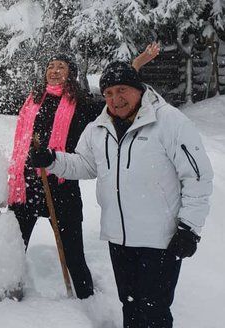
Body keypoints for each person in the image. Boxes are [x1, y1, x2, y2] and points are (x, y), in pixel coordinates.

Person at [29, 61, 213, 328]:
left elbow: (197, 176)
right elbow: (85, 164)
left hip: (160, 240)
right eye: (109, 93)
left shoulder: (169, 121)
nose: (116, 99)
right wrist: (52, 159)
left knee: (154, 310)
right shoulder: (98, 127)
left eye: (122, 89)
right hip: (119, 239)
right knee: (130, 305)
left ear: (138, 89)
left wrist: (189, 228)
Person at [0, 43, 160, 300]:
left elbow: (116, 101)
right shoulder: (32, 100)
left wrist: (136, 66)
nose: (54, 70)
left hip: (62, 186)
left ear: (71, 73)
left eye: (61, 66)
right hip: (27, 187)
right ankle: (9, 301)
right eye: (50, 66)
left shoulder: (82, 104)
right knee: (14, 251)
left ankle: (88, 302)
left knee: (74, 255)